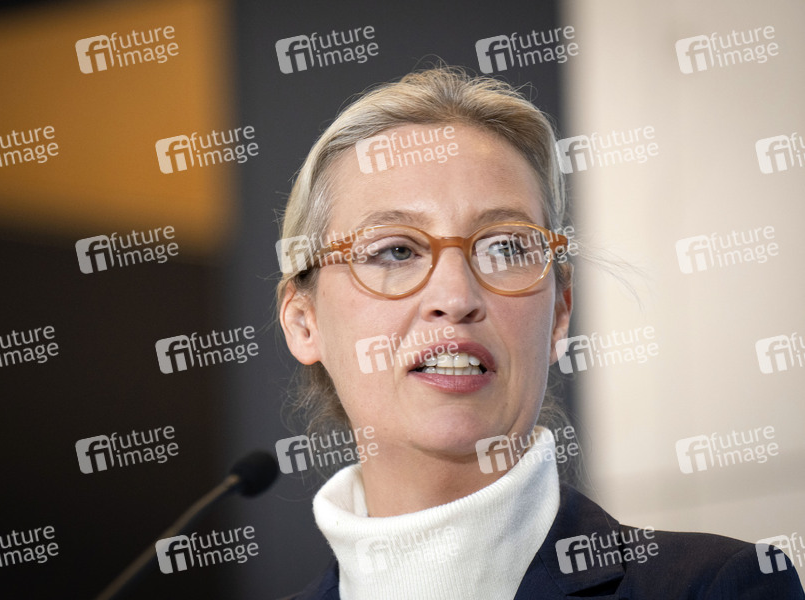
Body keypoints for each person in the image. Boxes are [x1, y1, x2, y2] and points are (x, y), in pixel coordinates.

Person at [275, 66, 804, 599]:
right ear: (304, 322)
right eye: (395, 251)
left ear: (559, 314)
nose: (456, 298)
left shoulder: (719, 586)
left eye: (505, 247)